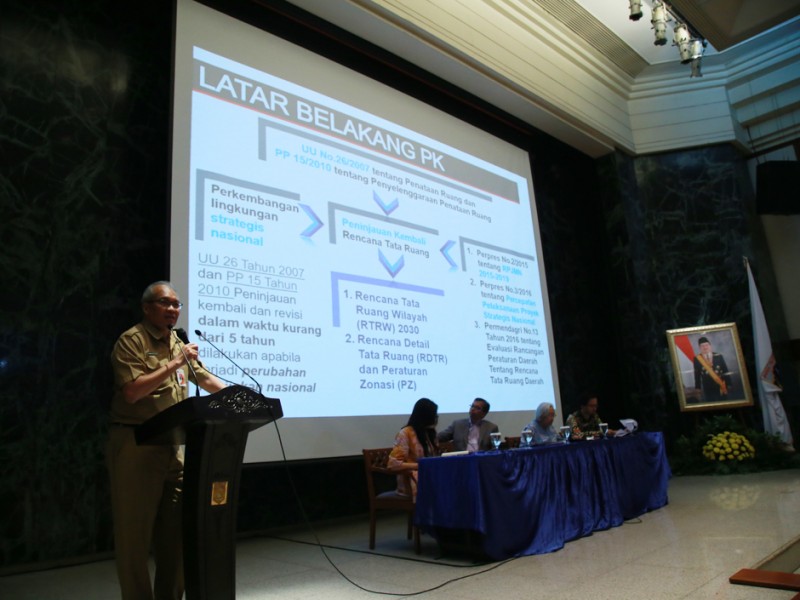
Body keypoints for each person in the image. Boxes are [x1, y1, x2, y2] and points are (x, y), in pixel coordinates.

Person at [107, 281, 226, 600]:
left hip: (173, 444)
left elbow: (202, 377)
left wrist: (237, 397)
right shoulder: (131, 341)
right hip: (136, 443)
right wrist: (175, 363)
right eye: (166, 303)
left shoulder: (177, 341)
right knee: (134, 536)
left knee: (176, 533)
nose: (173, 309)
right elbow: (132, 392)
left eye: (177, 304)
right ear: (147, 308)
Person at [387, 398, 439, 498]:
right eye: (434, 415)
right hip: (411, 479)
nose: (436, 418)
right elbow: (393, 464)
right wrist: (421, 465)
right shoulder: (405, 433)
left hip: (429, 475)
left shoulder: (430, 433)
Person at [693, 336, 731, 401]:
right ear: (700, 348)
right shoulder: (697, 359)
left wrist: (729, 383)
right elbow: (697, 374)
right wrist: (698, 387)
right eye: (702, 346)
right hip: (707, 387)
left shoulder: (719, 356)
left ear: (710, 346)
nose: (705, 347)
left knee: (723, 401)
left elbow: (725, 370)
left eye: (706, 345)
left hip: (720, 385)